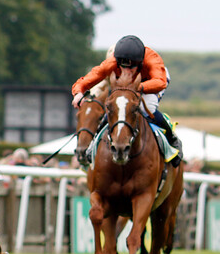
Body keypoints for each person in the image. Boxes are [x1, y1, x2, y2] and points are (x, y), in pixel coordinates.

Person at [71, 34, 182, 167]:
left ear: (140, 63)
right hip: (127, 86)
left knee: (149, 108)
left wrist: (137, 87)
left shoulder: (152, 58)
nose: (126, 71)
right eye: (123, 67)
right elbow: (89, 78)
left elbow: (160, 82)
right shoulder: (112, 62)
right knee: (115, 108)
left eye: (131, 67)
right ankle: (94, 143)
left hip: (150, 81)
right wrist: (78, 93)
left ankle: (172, 139)